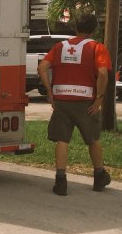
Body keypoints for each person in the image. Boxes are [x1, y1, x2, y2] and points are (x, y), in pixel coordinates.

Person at [37, 13, 112, 196]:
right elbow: (103, 73)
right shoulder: (97, 47)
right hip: (87, 102)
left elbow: (42, 68)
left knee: (62, 140)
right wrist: (99, 98)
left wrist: (50, 91)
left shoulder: (60, 47)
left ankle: (61, 181)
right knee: (93, 139)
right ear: (94, 29)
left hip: (62, 100)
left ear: (75, 28)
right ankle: (99, 176)